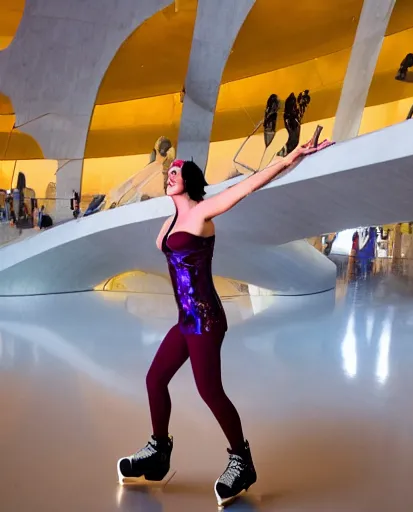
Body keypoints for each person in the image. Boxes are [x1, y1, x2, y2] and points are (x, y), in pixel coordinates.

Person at [117, 131, 333, 506]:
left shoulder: (203, 214)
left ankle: (242, 460)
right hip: (185, 321)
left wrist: (288, 159)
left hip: (206, 320)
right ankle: (159, 450)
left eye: (177, 172)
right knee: (155, 380)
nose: (170, 174)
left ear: (191, 182)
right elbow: (164, 246)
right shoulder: (170, 224)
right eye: (171, 170)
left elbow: (247, 187)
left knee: (209, 391)